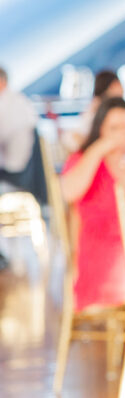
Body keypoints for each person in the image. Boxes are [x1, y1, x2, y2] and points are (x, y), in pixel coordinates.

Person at [59, 97, 125, 311]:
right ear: (100, 128)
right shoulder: (85, 158)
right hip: (102, 255)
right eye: (114, 128)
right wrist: (100, 148)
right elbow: (68, 192)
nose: (122, 133)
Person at [0, 65, 39, 270]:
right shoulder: (19, 101)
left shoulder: (8, 104)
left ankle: (7, 254)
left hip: (16, 175)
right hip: (23, 173)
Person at [64, 69, 123, 152]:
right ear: (111, 86)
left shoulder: (117, 108)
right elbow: (72, 139)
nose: (122, 89)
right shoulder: (95, 108)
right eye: (118, 84)